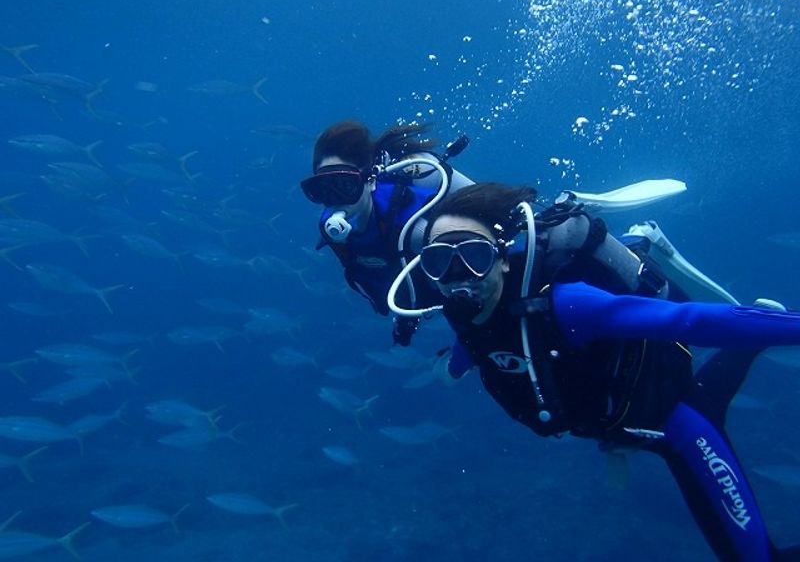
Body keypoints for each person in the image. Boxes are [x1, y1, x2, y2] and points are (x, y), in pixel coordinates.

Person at [391, 182, 800, 561]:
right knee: (718, 380)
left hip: (674, 418)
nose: (458, 276)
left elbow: (689, 322)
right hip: (616, 427)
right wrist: (447, 371)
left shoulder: (568, 306)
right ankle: (760, 328)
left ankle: (756, 321)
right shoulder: (469, 318)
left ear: (502, 260)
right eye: (439, 260)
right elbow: (472, 351)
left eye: (475, 256)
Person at [301, 121, 472, 345]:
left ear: (370, 181)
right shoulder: (332, 231)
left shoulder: (409, 227)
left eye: (345, 186)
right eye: (323, 189)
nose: (335, 199)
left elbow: (467, 271)